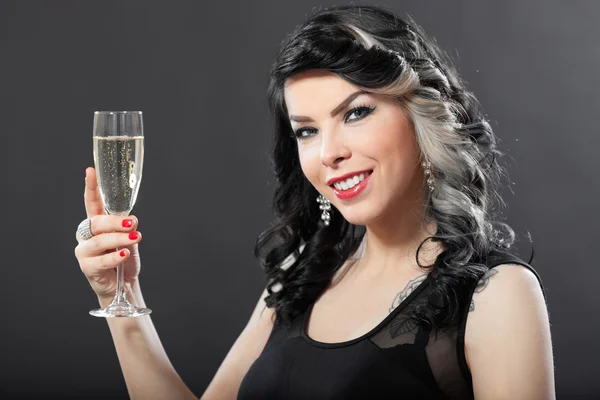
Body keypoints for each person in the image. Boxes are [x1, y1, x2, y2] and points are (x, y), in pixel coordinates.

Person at [74, 4, 555, 399]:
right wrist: (120, 295)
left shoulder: (495, 295)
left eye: (356, 112)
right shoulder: (303, 276)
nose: (329, 154)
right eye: (306, 130)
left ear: (420, 115)